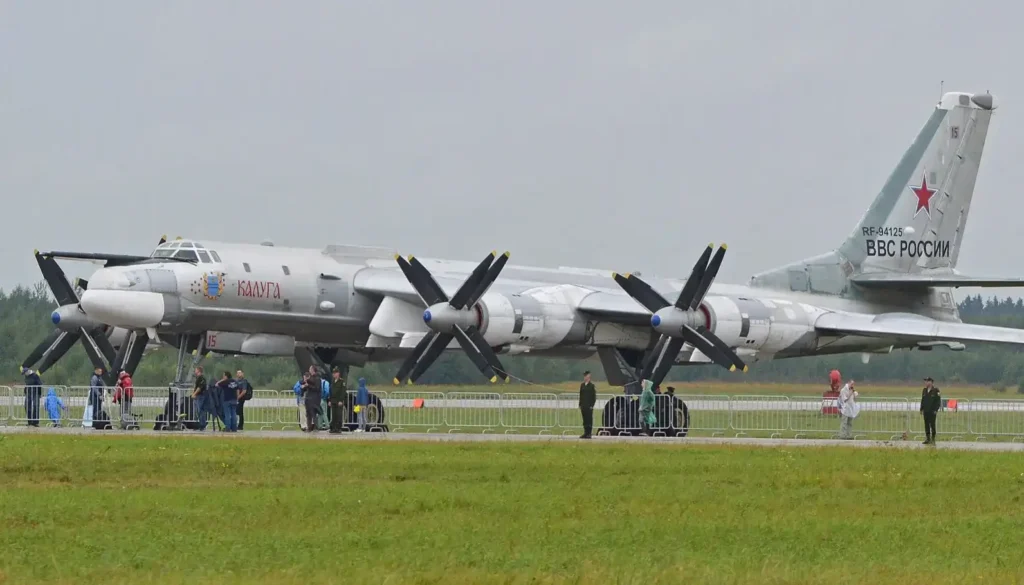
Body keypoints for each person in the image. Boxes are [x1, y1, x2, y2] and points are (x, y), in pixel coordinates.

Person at [921, 377, 942, 444]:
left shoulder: (936, 390)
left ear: (931, 382)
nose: (926, 383)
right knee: (926, 424)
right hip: (926, 410)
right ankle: (928, 438)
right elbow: (923, 400)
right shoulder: (924, 390)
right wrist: (921, 408)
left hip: (932, 411)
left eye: (927, 381)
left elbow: (938, 401)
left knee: (932, 425)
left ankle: (933, 438)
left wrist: (936, 410)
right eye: (925, 381)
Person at [302, 366, 322, 432]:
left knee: (313, 413)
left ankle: (316, 427)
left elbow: (317, 388)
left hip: (314, 399)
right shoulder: (310, 378)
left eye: (310, 369)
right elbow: (306, 387)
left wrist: (309, 386)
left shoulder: (317, 378)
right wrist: (304, 385)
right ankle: (309, 427)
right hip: (308, 398)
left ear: (313, 370)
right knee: (308, 414)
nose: (309, 370)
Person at [328, 366, 348, 434]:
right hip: (333, 400)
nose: (334, 374)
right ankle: (333, 428)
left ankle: (338, 428)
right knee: (334, 415)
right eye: (333, 373)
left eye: (335, 373)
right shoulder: (332, 381)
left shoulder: (342, 381)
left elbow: (343, 392)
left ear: (338, 373)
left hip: (338, 401)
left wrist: (341, 400)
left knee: (339, 415)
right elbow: (330, 391)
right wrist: (330, 400)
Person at [578, 370, 596, 439]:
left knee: (589, 419)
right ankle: (585, 433)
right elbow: (581, 395)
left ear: (589, 377)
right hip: (583, 405)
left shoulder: (591, 386)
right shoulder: (582, 385)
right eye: (584, 376)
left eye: (586, 376)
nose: (585, 377)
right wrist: (580, 404)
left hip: (589, 406)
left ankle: (589, 433)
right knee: (585, 420)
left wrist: (592, 405)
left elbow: (593, 397)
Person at [192, 366, 210, 431]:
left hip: (200, 396)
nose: (195, 371)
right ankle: (198, 425)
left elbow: (200, 387)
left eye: (196, 370)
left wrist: (194, 394)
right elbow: (196, 387)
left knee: (200, 411)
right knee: (197, 411)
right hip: (197, 396)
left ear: (199, 371)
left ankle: (203, 425)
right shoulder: (197, 378)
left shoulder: (202, 378)